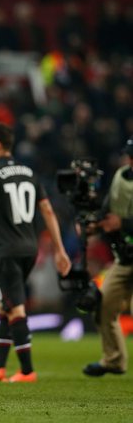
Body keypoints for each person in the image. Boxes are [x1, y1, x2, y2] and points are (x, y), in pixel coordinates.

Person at [0, 122, 71, 383]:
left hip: (5, 251)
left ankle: (27, 371)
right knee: (4, 305)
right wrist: (60, 250)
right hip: (29, 248)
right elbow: (48, 212)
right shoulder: (29, 173)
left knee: (15, 308)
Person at [83, 137, 133, 377]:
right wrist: (96, 224)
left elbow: (118, 220)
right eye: (129, 155)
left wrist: (122, 223)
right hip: (124, 259)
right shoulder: (121, 177)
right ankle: (113, 360)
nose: (129, 160)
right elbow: (108, 207)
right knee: (103, 305)